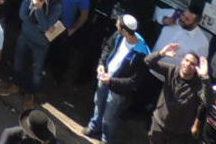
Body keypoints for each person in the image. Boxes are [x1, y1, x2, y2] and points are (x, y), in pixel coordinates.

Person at [87, 14, 151, 144]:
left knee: (109, 117)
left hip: (118, 90)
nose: (116, 25)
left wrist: (111, 81)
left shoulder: (142, 53)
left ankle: (105, 139)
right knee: (98, 105)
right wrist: (101, 65)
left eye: (118, 24)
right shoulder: (118, 36)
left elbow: (133, 81)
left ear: (125, 30)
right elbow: (107, 48)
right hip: (104, 78)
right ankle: (93, 128)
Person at [147, 44, 207, 144]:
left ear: (196, 68)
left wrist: (205, 78)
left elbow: (209, 101)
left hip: (178, 134)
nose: (187, 64)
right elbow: (148, 61)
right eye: (186, 60)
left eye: (192, 63)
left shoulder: (198, 85)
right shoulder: (171, 70)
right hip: (159, 125)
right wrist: (161, 53)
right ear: (182, 60)